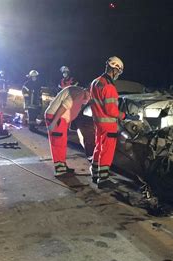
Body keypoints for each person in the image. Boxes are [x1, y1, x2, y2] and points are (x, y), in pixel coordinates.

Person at [89, 56, 138, 186]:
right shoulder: (109, 87)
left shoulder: (95, 82)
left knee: (98, 147)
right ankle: (103, 180)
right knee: (106, 151)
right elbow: (112, 111)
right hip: (108, 124)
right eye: (118, 72)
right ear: (115, 69)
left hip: (98, 123)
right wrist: (125, 116)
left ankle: (95, 174)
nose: (118, 75)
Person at [45, 85, 90, 177]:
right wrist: (54, 122)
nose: (90, 99)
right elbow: (64, 106)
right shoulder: (80, 94)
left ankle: (62, 166)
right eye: (91, 96)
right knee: (58, 144)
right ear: (89, 91)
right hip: (57, 118)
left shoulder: (78, 91)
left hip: (60, 119)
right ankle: (60, 170)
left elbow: (70, 109)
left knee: (61, 143)